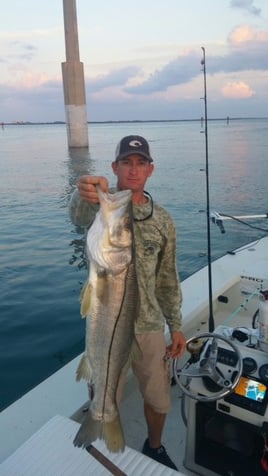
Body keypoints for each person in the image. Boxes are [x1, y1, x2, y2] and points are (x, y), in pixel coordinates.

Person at [69, 135, 186, 470]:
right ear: (115, 167)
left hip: (149, 326)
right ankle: (101, 438)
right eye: (126, 163)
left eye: (139, 163)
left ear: (150, 169)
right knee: (102, 386)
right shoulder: (103, 206)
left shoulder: (163, 220)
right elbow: (78, 217)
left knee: (159, 398)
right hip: (107, 324)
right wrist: (85, 192)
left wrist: (176, 325)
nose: (132, 170)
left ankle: (155, 446)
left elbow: (167, 279)